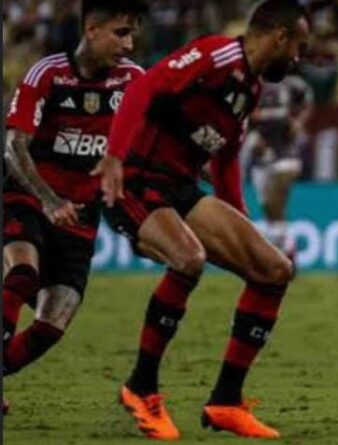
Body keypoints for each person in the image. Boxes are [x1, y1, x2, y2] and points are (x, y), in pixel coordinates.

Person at [91, 0, 309, 439]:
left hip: (181, 188)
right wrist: (113, 159)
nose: (299, 58)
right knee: (188, 258)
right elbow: (142, 90)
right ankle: (141, 387)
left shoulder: (251, 89)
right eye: (299, 47)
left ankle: (226, 401)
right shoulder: (215, 55)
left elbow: (226, 159)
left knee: (272, 269)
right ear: (280, 37)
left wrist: (240, 224)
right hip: (134, 178)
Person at [2, 0, 146, 413]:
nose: (130, 44)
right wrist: (47, 200)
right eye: (121, 33)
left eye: (133, 33)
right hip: (27, 196)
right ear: (91, 29)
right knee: (24, 272)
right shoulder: (47, 73)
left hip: (80, 217)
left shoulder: (132, 80)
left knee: (52, 325)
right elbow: (14, 145)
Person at [241, 74, 313, 255]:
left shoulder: (292, 84)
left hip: (286, 150)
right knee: (267, 205)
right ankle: (284, 248)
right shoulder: (249, 84)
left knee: (275, 199)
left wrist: (298, 122)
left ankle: (285, 250)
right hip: (261, 154)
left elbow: (307, 101)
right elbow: (240, 113)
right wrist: (252, 136)